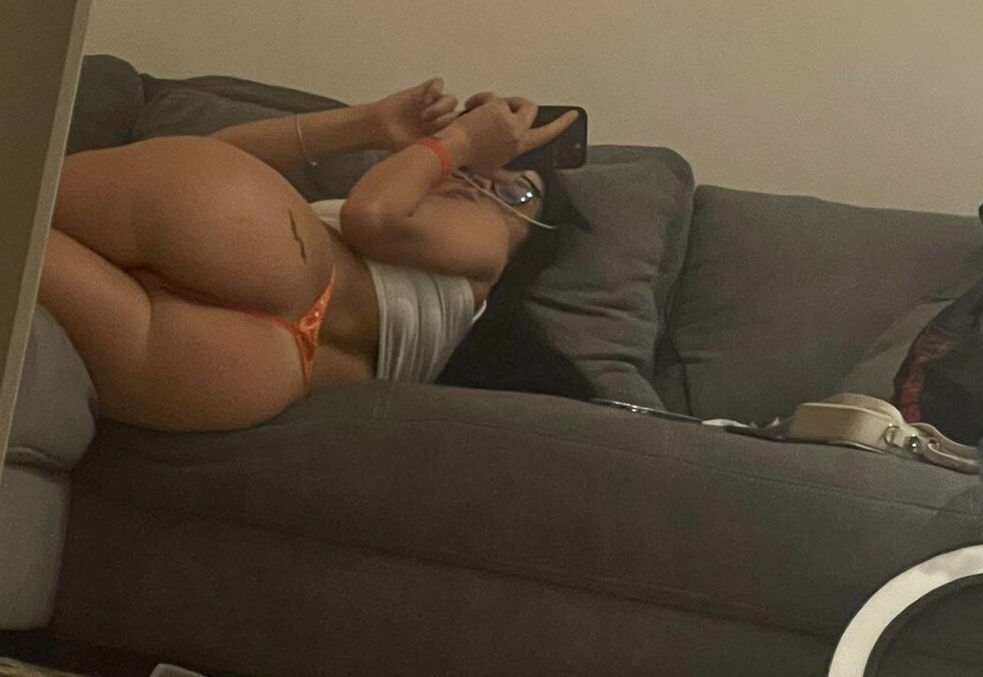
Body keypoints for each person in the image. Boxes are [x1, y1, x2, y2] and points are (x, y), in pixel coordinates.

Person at [39, 80, 580, 432]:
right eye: (480, 168)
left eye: (519, 192)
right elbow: (208, 158)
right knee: (1, 254)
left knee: (7, 207)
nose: (487, 182)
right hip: (262, 371)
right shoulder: (432, 331)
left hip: (275, 249)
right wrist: (371, 126)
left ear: (529, 244)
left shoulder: (487, 240)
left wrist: (458, 144)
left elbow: (369, 216)